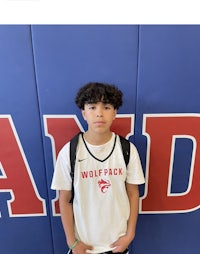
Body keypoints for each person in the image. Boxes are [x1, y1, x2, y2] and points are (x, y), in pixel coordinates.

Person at [51, 82, 145, 254]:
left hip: (117, 245)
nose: (99, 113)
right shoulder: (69, 152)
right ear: (84, 113)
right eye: (92, 107)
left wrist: (130, 234)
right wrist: (71, 242)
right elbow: (64, 199)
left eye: (107, 107)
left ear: (115, 112)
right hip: (84, 246)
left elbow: (133, 193)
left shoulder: (127, 150)